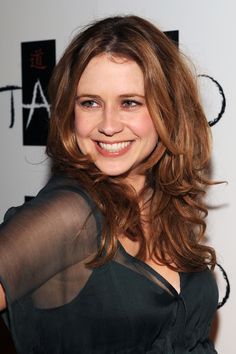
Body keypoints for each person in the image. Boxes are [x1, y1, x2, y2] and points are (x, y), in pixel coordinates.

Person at [0, 15, 219, 353]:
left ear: (168, 110)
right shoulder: (72, 214)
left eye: (129, 102)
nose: (108, 125)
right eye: (90, 103)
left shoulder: (164, 206)